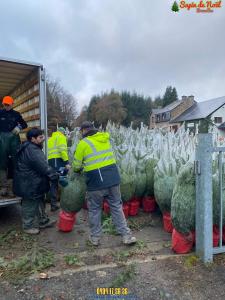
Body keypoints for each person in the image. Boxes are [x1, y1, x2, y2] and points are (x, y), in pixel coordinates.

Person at [72, 121, 136, 246]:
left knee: (95, 209)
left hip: (96, 181)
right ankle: (126, 236)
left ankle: (95, 238)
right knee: (117, 207)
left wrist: (77, 169)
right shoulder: (105, 138)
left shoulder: (83, 143)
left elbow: (76, 165)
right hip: (113, 178)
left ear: (83, 131)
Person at [13, 127, 58, 235]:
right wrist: (54, 175)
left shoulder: (30, 147)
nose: (43, 139)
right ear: (32, 139)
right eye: (40, 137)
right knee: (30, 204)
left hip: (32, 182)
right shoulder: (32, 150)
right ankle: (27, 226)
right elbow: (43, 167)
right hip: (29, 184)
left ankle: (43, 221)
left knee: (39, 201)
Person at [0, 96, 27, 196]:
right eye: (4, 104)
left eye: (8, 104)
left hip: (13, 141)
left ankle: (11, 188)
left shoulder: (16, 114)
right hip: (2, 141)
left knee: (13, 163)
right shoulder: (0, 113)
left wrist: (18, 127)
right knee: (2, 163)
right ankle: (3, 187)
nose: (6, 106)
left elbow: (25, 124)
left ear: (12, 104)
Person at [48, 126, 70, 211]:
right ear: (63, 132)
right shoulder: (61, 137)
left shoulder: (50, 139)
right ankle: (67, 202)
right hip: (59, 162)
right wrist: (67, 162)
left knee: (53, 183)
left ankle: (53, 205)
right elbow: (62, 151)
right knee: (63, 180)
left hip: (51, 163)